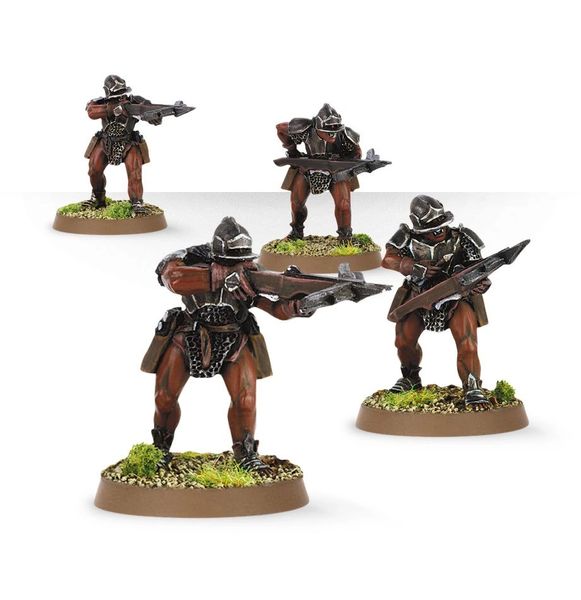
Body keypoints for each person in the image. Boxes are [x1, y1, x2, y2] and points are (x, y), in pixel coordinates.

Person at [142, 217, 309, 471]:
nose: (238, 266)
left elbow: (275, 308)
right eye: (230, 262)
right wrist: (214, 275)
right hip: (189, 335)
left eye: (241, 261)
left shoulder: (252, 274)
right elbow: (170, 276)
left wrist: (296, 308)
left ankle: (246, 455)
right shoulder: (192, 262)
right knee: (164, 398)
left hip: (234, 339)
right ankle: (159, 449)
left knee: (245, 401)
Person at [382, 195, 492, 408]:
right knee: (404, 341)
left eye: (441, 226)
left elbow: (479, 267)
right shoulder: (407, 236)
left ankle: (472, 387)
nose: (438, 231)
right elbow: (387, 259)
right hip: (418, 296)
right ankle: (410, 377)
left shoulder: (462, 237)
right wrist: (412, 266)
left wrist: (481, 282)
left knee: (467, 342)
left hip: (456, 298)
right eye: (432, 228)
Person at [276, 103, 362, 241]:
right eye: (328, 130)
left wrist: (347, 161)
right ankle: (296, 232)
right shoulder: (305, 129)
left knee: (343, 205)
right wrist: (292, 150)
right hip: (308, 170)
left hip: (336, 172)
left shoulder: (344, 134)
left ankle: (345, 237)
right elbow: (280, 129)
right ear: (317, 127)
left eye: (335, 129)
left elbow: (357, 152)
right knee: (296, 203)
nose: (333, 133)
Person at [84, 75, 161, 214]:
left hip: (128, 142)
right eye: (116, 94)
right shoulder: (100, 102)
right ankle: (98, 198)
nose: (120, 97)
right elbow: (91, 112)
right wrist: (113, 109)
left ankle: (137, 202)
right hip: (106, 141)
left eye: (122, 94)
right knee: (94, 170)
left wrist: (155, 117)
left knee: (135, 173)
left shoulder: (135, 101)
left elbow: (149, 110)